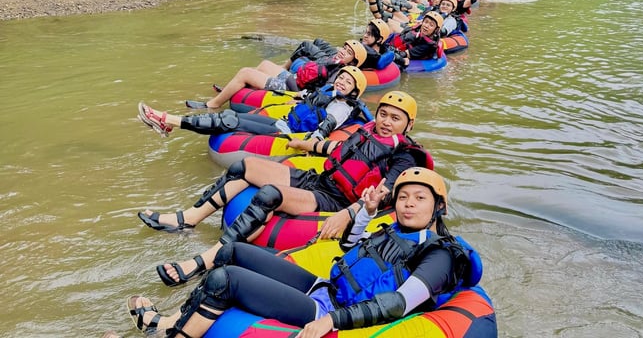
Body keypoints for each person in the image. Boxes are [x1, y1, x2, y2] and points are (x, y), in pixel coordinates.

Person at [122, 168, 483, 338]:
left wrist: (332, 321)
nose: (408, 203)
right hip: (324, 288)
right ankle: (170, 321)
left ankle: (169, 335)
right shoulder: (392, 230)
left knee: (224, 280)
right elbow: (348, 251)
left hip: (334, 312)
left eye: (419, 198)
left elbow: (398, 305)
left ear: (438, 207)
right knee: (233, 251)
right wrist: (365, 213)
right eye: (403, 197)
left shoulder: (441, 255)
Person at [138, 91, 432, 287]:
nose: (386, 122)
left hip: (336, 200)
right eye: (383, 114)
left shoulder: (405, 156)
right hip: (320, 180)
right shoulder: (367, 131)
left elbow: (383, 192)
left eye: (395, 118)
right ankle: (189, 218)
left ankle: (205, 260)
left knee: (269, 195)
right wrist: (304, 143)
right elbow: (337, 149)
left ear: (409, 124)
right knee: (244, 167)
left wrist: (348, 214)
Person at [137, 66, 371, 143]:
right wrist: (296, 98)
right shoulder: (329, 93)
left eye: (347, 81)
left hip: (288, 134)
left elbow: (323, 130)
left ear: (354, 91)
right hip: (283, 122)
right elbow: (305, 98)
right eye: (341, 77)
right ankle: (170, 122)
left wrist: (306, 143)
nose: (341, 81)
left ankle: (167, 120)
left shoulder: (341, 107)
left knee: (230, 119)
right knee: (232, 117)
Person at [186, 40, 368, 110]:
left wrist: (299, 97)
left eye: (348, 52)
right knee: (265, 64)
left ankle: (213, 104)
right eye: (344, 48)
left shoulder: (339, 74)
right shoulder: (332, 60)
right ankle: (230, 89)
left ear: (352, 62)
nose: (343, 51)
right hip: (293, 79)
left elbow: (323, 93)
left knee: (245, 72)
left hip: (292, 89)